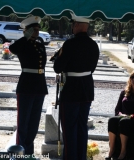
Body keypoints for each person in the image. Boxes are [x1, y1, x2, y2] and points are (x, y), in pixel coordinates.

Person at [53, 13, 99, 160]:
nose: (72, 27)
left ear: (78, 25)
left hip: (71, 89)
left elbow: (57, 67)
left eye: (73, 24)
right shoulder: (93, 44)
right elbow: (92, 69)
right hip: (86, 89)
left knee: (69, 128)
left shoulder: (70, 44)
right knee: (81, 126)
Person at [9, 16, 48, 156]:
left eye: (37, 29)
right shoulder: (23, 44)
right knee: (23, 123)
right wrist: (25, 37)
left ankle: (29, 152)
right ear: (26, 31)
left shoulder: (40, 44)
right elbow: (12, 48)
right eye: (33, 30)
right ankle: (21, 151)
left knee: (34, 123)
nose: (37, 32)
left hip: (39, 86)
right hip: (26, 86)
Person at [106, 70, 134, 160]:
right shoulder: (124, 92)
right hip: (123, 116)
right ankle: (112, 149)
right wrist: (120, 114)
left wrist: (133, 116)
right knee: (112, 120)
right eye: (132, 77)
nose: (133, 79)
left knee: (124, 122)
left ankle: (123, 151)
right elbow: (117, 109)